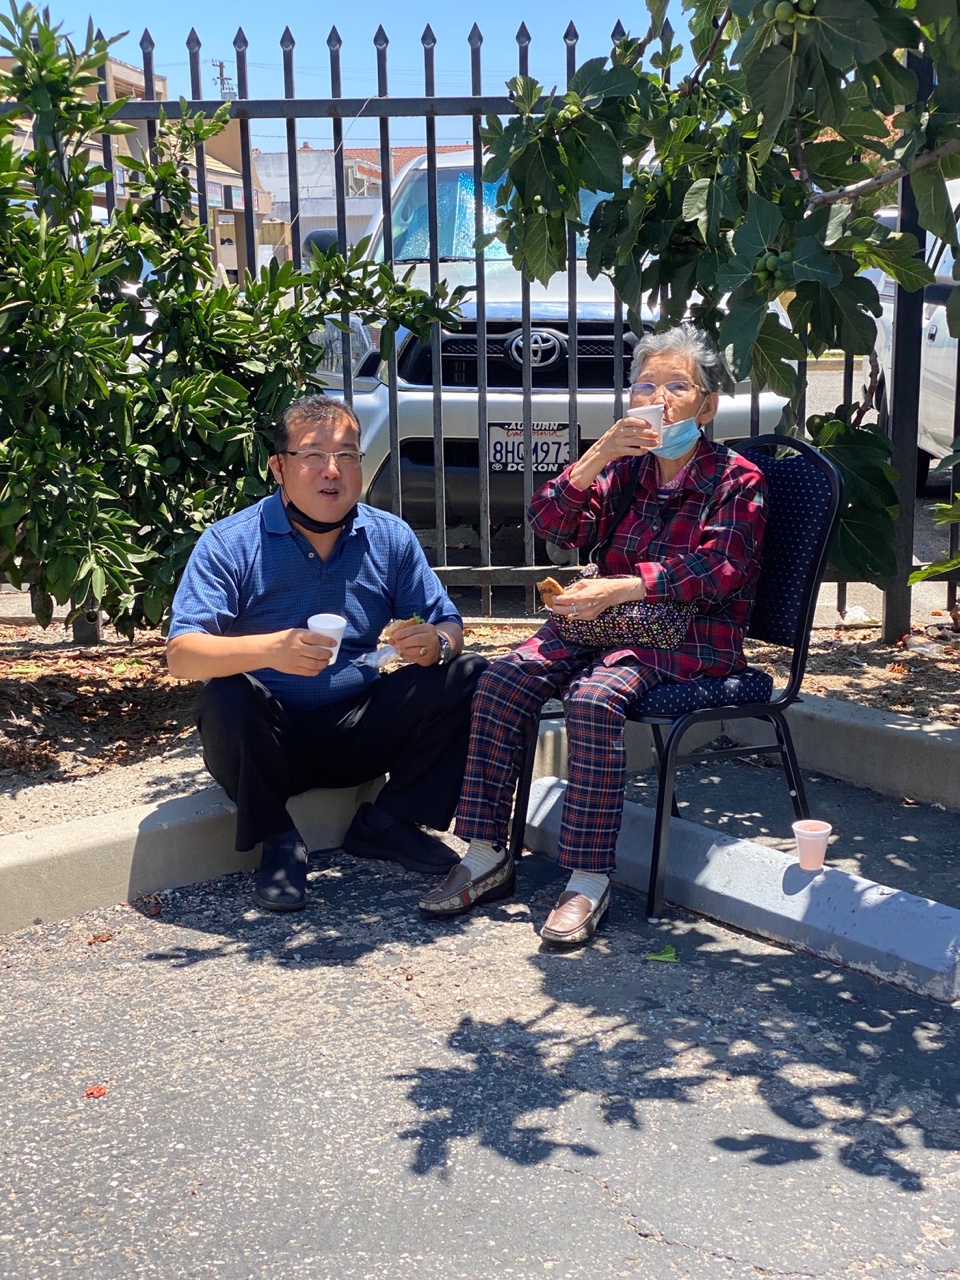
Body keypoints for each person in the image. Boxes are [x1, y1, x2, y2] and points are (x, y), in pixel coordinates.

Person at [420, 325, 768, 946]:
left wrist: (624, 586)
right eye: (645, 386)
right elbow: (551, 524)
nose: (657, 399)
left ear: (707, 406)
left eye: (677, 386)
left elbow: (722, 568)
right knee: (502, 679)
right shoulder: (626, 470)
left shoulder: (735, 479)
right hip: (605, 623)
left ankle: (587, 877)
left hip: (689, 635)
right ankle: (485, 852)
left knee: (592, 697)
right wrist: (597, 455)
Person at [166, 394, 487, 912]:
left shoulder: (388, 537)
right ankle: (278, 840)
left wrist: (437, 643)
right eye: (313, 455)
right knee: (227, 694)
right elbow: (182, 655)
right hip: (270, 739)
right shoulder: (231, 542)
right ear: (279, 467)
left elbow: (448, 623)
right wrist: (272, 649)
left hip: (359, 724)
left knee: (467, 672)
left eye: (347, 455)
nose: (331, 470)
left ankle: (390, 820)